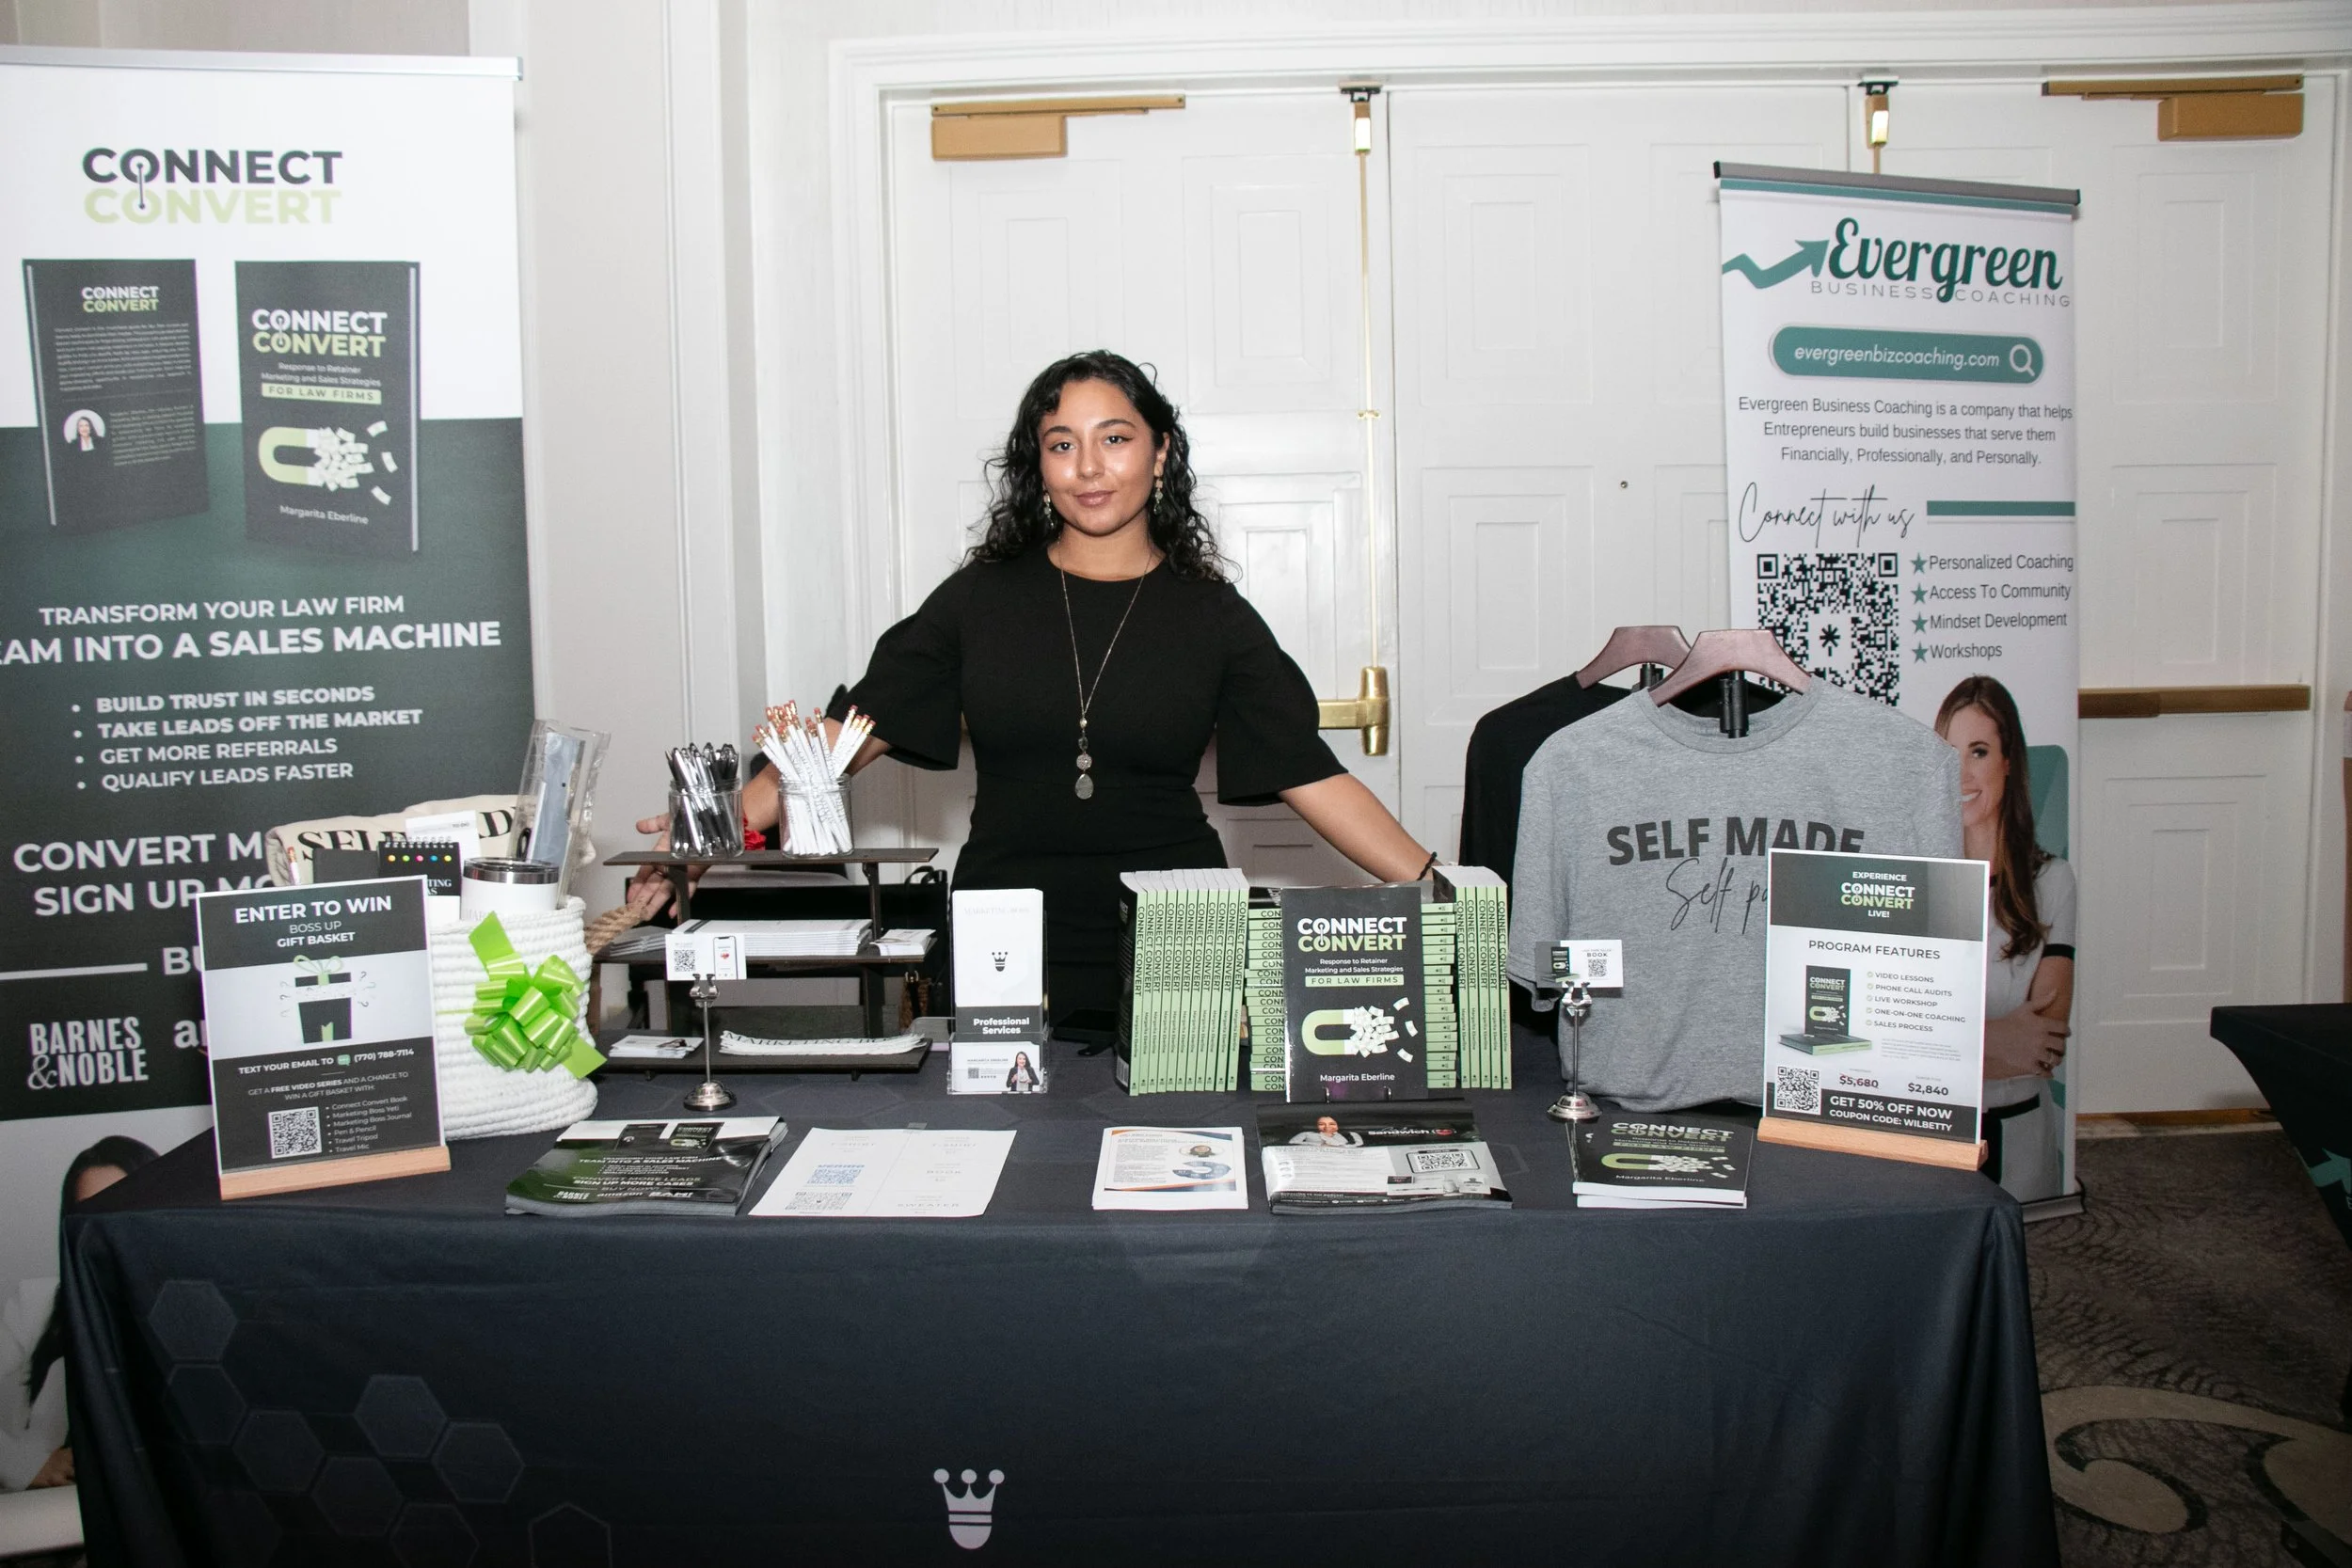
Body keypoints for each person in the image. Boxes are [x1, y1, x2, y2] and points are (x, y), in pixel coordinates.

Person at [642, 350, 1431, 1019]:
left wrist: (1443, 891)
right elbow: (843, 738)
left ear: (1160, 455)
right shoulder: (979, 599)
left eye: (1114, 438)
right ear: (1038, 467)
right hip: (1003, 933)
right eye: (1062, 444)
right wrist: (708, 835)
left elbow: (1313, 773)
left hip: (1178, 935)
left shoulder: (1213, 616)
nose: (1089, 467)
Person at [1936, 676, 2074, 1201]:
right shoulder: (1913, 878)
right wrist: (1996, 1039)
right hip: (1935, 1129)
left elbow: (2042, 1046)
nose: (1961, 772)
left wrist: (1940, 1045)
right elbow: (1887, 1047)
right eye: (1947, 752)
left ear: (2008, 761)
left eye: (1978, 751)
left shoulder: (2052, 882)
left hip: (2021, 1130)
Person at [1, 1136, 155, 1492]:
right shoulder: (34, 1304)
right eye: (90, 1213)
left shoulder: (201, 1309)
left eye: (124, 1208)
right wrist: (25, 1465)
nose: (106, 1229)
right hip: (58, 1516)